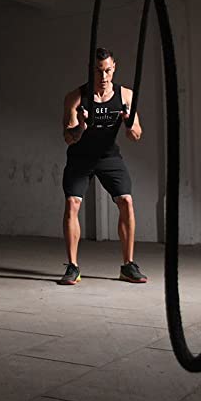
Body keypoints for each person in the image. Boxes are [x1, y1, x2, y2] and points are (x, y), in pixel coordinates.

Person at [60, 47, 147, 285]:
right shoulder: (75, 98)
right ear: (91, 70)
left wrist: (128, 122)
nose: (104, 76)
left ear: (114, 67)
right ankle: (73, 267)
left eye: (108, 70)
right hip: (81, 157)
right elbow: (68, 138)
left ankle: (128, 266)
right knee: (72, 203)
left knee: (126, 201)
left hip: (108, 156)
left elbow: (136, 135)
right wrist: (81, 126)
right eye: (99, 71)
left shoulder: (125, 95)